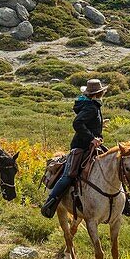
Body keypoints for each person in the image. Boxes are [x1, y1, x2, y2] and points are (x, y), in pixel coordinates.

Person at [40, 78, 106, 219]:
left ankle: (124, 202)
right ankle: (50, 202)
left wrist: (98, 126)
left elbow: (85, 122)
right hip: (81, 146)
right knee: (69, 174)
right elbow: (77, 123)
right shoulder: (91, 107)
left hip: (92, 144)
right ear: (98, 93)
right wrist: (91, 137)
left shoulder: (91, 105)